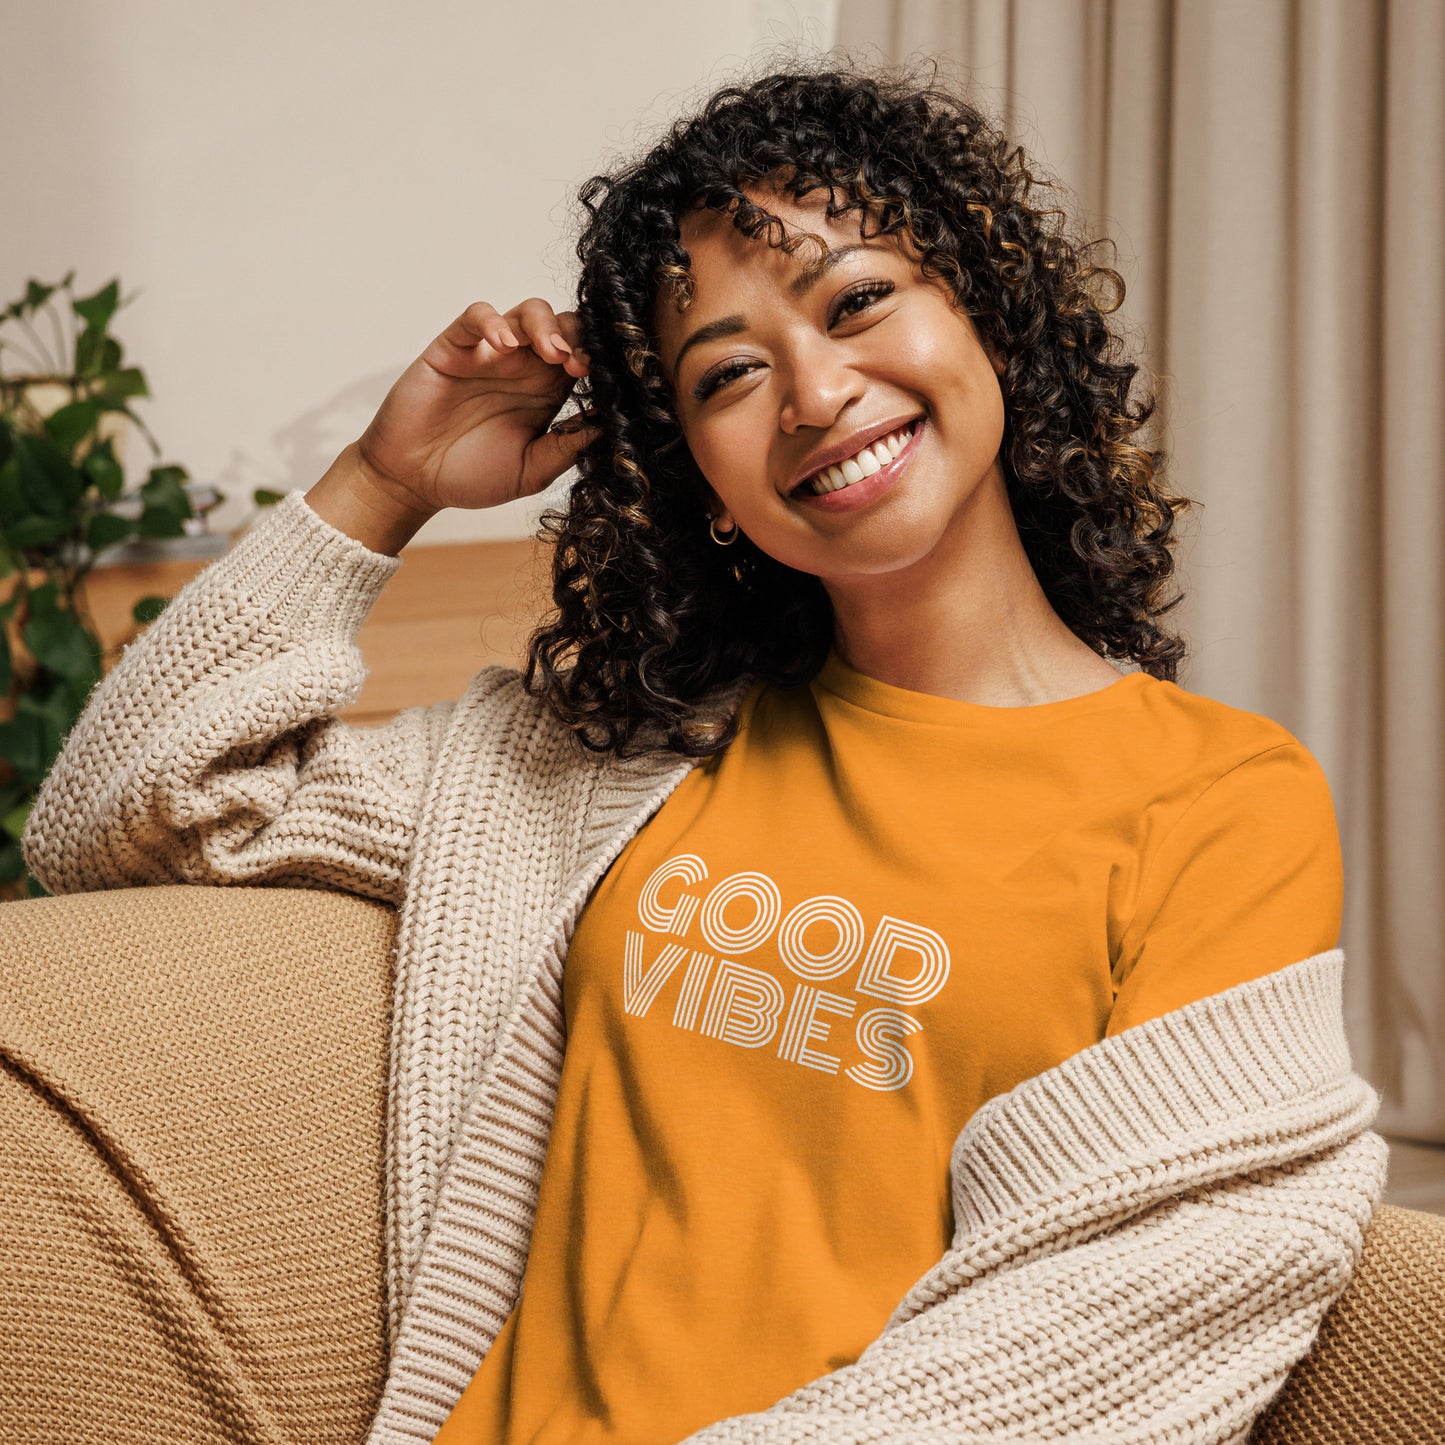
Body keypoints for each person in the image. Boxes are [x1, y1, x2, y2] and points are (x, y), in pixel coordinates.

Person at [16, 59, 1385, 1445]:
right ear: (704, 482)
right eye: (728, 371)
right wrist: (382, 484)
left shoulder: (1215, 795)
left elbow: (1135, 1299)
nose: (811, 390)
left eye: (858, 300)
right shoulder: (613, 762)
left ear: (986, 315)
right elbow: (128, 814)